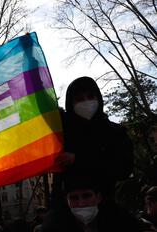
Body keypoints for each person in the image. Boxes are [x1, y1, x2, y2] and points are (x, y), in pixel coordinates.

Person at [52, 76, 133, 207]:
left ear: (98, 99)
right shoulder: (62, 132)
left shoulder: (115, 132)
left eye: (90, 96)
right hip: (67, 211)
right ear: (70, 104)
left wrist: (78, 160)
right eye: (79, 99)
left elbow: (124, 168)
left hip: (106, 207)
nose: (86, 102)